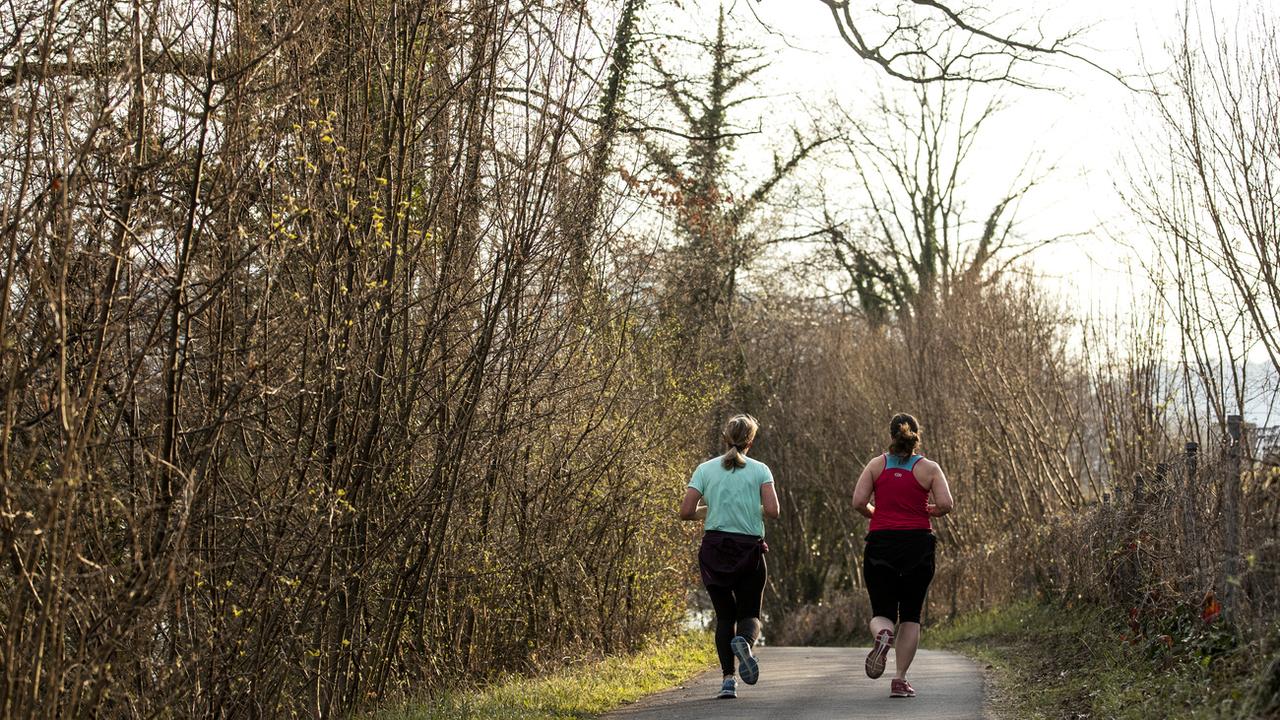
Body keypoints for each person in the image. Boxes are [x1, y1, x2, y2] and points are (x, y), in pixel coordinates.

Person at [851, 413, 953, 698]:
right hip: (918, 545)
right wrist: (929, 510)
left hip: (881, 543)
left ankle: (882, 636)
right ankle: (899, 679)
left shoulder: (875, 465)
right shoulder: (929, 468)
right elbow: (946, 503)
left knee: (882, 611)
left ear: (890, 435)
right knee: (910, 614)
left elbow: (858, 502)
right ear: (917, 436)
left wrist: (875, 513)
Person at [679, 414, 780, 700]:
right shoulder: (761, 470)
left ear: (725, 438)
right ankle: (744, 642)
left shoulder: (705, 470)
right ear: (752, 440)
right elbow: (773, 511)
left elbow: (686, 512)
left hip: (715, 551)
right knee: (749, 614)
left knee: (724, 617)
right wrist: (752, 509)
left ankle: (727, 681)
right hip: (749, 550)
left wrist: (709, 510)